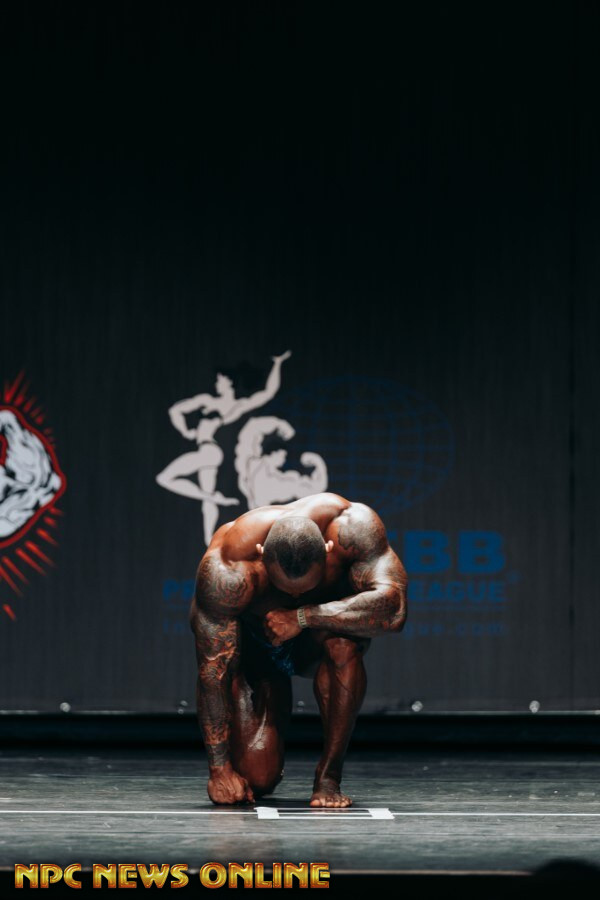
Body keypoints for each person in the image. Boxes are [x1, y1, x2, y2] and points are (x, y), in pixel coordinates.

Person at [189, 491, 407, 808]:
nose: (294, 595)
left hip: (315, 640)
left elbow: (394, 610)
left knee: (343, 644)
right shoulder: (229, 567)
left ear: (327, 550)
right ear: (262, 553)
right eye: (284, 588)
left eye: (305, 588)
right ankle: (268, 706)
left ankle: (328, 777)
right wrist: (219, 770)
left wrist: (302, 617)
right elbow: (213, 670)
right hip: (256, 652)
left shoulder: (352, 528)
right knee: (258, 779)